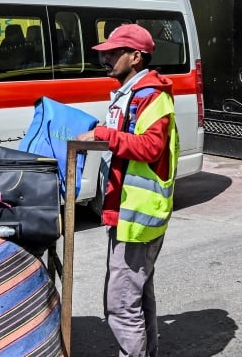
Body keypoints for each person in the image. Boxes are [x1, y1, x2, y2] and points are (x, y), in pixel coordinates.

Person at [76, 24, 178, 357]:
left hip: (138, 218)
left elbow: (150, 147)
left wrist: (105, 135)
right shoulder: (133, 92)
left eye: (114, 52)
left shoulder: (151, 94)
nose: (106, 58)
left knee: (121, 305)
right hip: (129, 213)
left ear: (136, 57)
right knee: (137, 297)